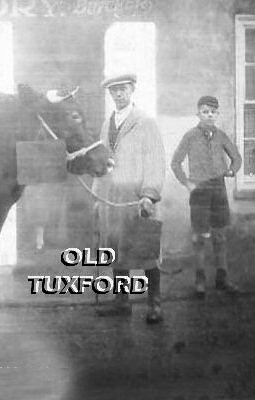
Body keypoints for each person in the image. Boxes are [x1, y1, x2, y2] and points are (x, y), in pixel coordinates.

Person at [92, 72, 166, 324]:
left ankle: (154, 303)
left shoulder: (145, 121)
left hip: (137, 197)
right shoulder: (107, 123)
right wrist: (96, 194)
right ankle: (122, 302)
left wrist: (149, 195)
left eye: (122, 89)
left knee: (145, 249)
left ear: (132, 89)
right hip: (111, 198)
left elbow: (155, 161)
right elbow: (102, 161)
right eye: (113, 91)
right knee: (116, 248)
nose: (118, 94)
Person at [171, 95, 242, 297]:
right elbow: (175, 162)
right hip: (199, 190)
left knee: (220, 235)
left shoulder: (221, 136)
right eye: (205, 111)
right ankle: (200, 280)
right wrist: (187, 183)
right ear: (198, 114)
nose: (209, 115)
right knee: (199, 237)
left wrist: (232, 170)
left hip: (219, 188)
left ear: (217, 114)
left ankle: (222, 278)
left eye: (213, 112)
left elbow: (236, 157)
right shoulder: (190, 136)